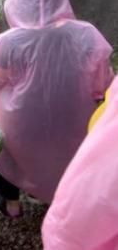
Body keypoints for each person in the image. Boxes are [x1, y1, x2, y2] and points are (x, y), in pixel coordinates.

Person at [0, 0, 113, 217]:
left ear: (19, 0)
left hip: (20, 129)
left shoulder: (9, 42)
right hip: (73, 124)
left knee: (0, 149)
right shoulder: (86, 35)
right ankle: (62, 200)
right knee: (71, 153)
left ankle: (11, 203)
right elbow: (103, 85)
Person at [42, 76, 118, 250]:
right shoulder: (96, 47)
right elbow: (101, 82)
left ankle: (13, 203)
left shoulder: (4, 47)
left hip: (24, 123)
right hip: (77, 121)